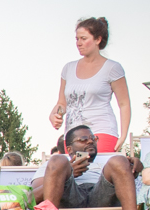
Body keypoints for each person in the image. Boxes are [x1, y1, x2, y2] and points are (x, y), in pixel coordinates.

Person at [36, 123, 142, 210]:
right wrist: (67, 174)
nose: (90, 142)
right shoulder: (54, 164)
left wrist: (134, 166)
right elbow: (33, 197)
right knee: (58, 160)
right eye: (83, 139)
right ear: (69, 149)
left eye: (93, 138)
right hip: (69, 198)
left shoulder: (108, 162)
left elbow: (128, 179)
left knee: (119, 160)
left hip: (101, 197)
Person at [48, 17, 131, 152]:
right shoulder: (68, 68)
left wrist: (123, 135)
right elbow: (62, 103)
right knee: (77, 171)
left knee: (90, 167)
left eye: (83, 38)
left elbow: (124, 103)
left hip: (101, 132)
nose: (79, 43)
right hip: (73, 136)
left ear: (98, 39)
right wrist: (55, 115)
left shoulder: (112, 68)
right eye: (77, 39)